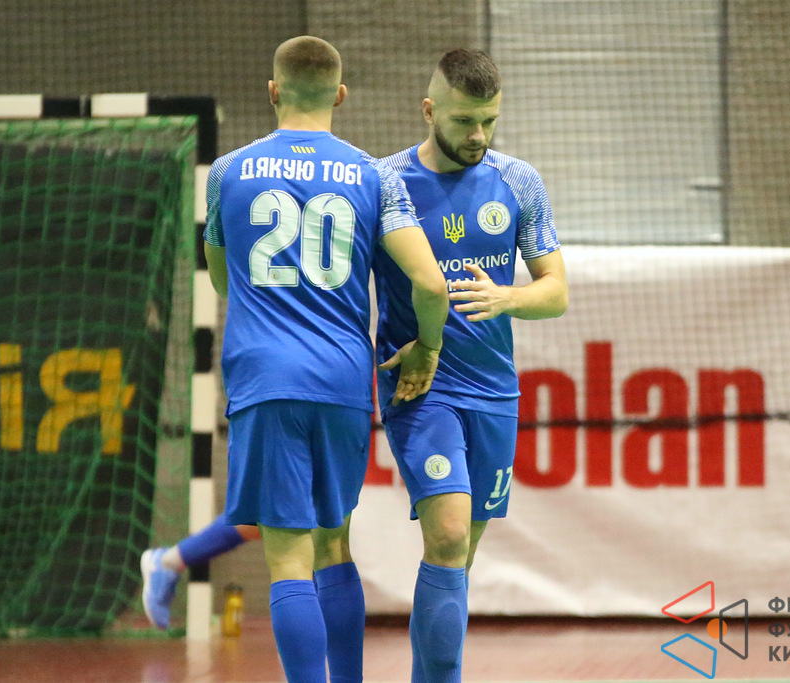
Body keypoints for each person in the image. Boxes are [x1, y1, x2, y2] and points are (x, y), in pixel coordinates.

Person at [139, 35, 449, 683]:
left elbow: (221, 279)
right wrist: (427, 344)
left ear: (273, 90)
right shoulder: (376, 175)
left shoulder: (227, 172)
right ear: (341, 95)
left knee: (287, 559)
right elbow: (430, 283)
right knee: (335, 545)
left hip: (264, 377)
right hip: (341, 378)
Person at [371, 48, 568, 683]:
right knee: (450, 535)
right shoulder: (385, 181)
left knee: (459, 553)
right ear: (429, 110)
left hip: (493, 392)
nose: (478, 135)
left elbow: (556, 292)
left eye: (489, 120)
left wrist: (507, 297)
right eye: (463, 121)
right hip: (421, 386)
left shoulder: (519, 181)